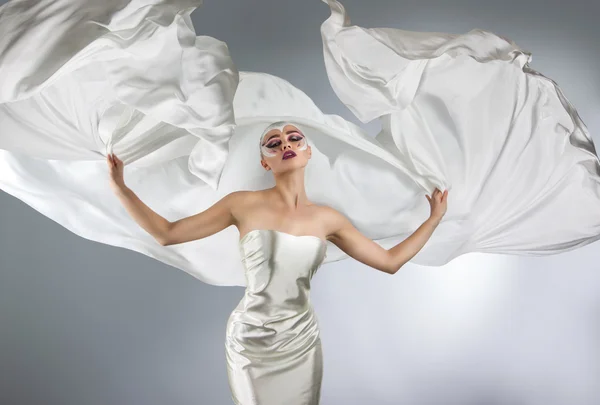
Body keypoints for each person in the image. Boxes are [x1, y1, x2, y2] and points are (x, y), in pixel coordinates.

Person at [106, 121, 448, 405]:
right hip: (252, 339)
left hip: (301, 339)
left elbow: (389, 261)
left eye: (294, 138)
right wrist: (121, 188)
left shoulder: (328, 219)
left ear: (308, 152)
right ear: (264, 163)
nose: (285, 143)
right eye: (273, 143)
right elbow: (168, 233)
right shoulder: (242, 205)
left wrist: (433, 220)